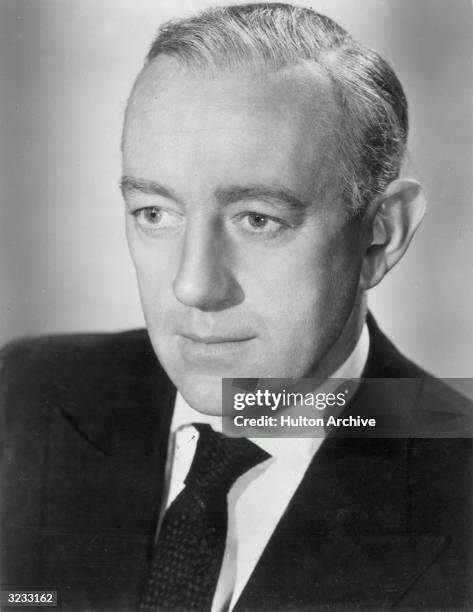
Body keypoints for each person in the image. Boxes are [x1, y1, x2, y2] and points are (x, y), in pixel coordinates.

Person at [1, 4, 471, 611]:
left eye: (258, 220)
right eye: (155, 214)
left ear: (381, 233)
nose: (195, 287)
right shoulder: (22, 396)